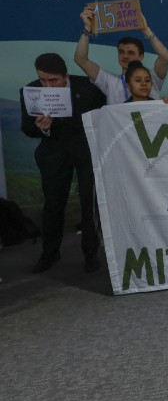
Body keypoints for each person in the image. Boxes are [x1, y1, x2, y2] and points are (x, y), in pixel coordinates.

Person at [20, 53, 107, 273]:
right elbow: (27, 129)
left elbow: (104, 114)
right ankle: (50, 253)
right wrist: (42, 127)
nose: (48, 86)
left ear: (65, 76)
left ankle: (90, 254)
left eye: (53, 81)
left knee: (90, 203)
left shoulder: (87, 87)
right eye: (43, 80)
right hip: (53, 154)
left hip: (86, 152)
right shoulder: (30, 92)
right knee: (53, 204)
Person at [74, 7, 168, 104]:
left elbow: (165, 57)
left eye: (131, 53)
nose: (125, 56)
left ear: (141, 56)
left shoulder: (151, 77)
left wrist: (146, 30)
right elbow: (81, 60)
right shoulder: (110, 81)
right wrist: (87, 28)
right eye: (121, 52)